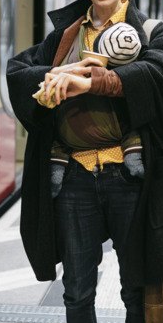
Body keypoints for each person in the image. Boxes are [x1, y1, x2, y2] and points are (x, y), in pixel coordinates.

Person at [6, 0, 163, 323]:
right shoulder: (66, 36)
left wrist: (86, 81)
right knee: (76, 293)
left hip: (131, 176)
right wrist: (52, 79)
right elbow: (18, 72)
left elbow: (156, 78)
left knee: (136, 292)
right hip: (75, 177)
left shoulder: (152, 31)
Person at [46, 22, 145, 198]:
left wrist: (90, 83)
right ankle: (57, 167)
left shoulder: (146, 31)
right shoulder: (68, 32)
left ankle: (133, 157)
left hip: (121, 170)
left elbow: (150, 80)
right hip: (76, 169)